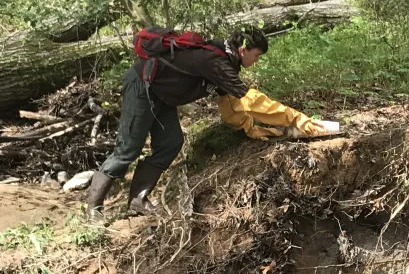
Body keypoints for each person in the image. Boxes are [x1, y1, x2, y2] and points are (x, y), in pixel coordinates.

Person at [85, 27, 325, 221]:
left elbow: (231, 105)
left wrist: (253, 129)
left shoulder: (226, 62)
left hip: (163, 94)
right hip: (142, 85)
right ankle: (93, 210)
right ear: (244, 49)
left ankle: (138, 198)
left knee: (170, 142)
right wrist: (295, 118)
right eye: (257, 55)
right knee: (129, 149)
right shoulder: (215, 61)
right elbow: (251, 100)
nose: (257, 60)